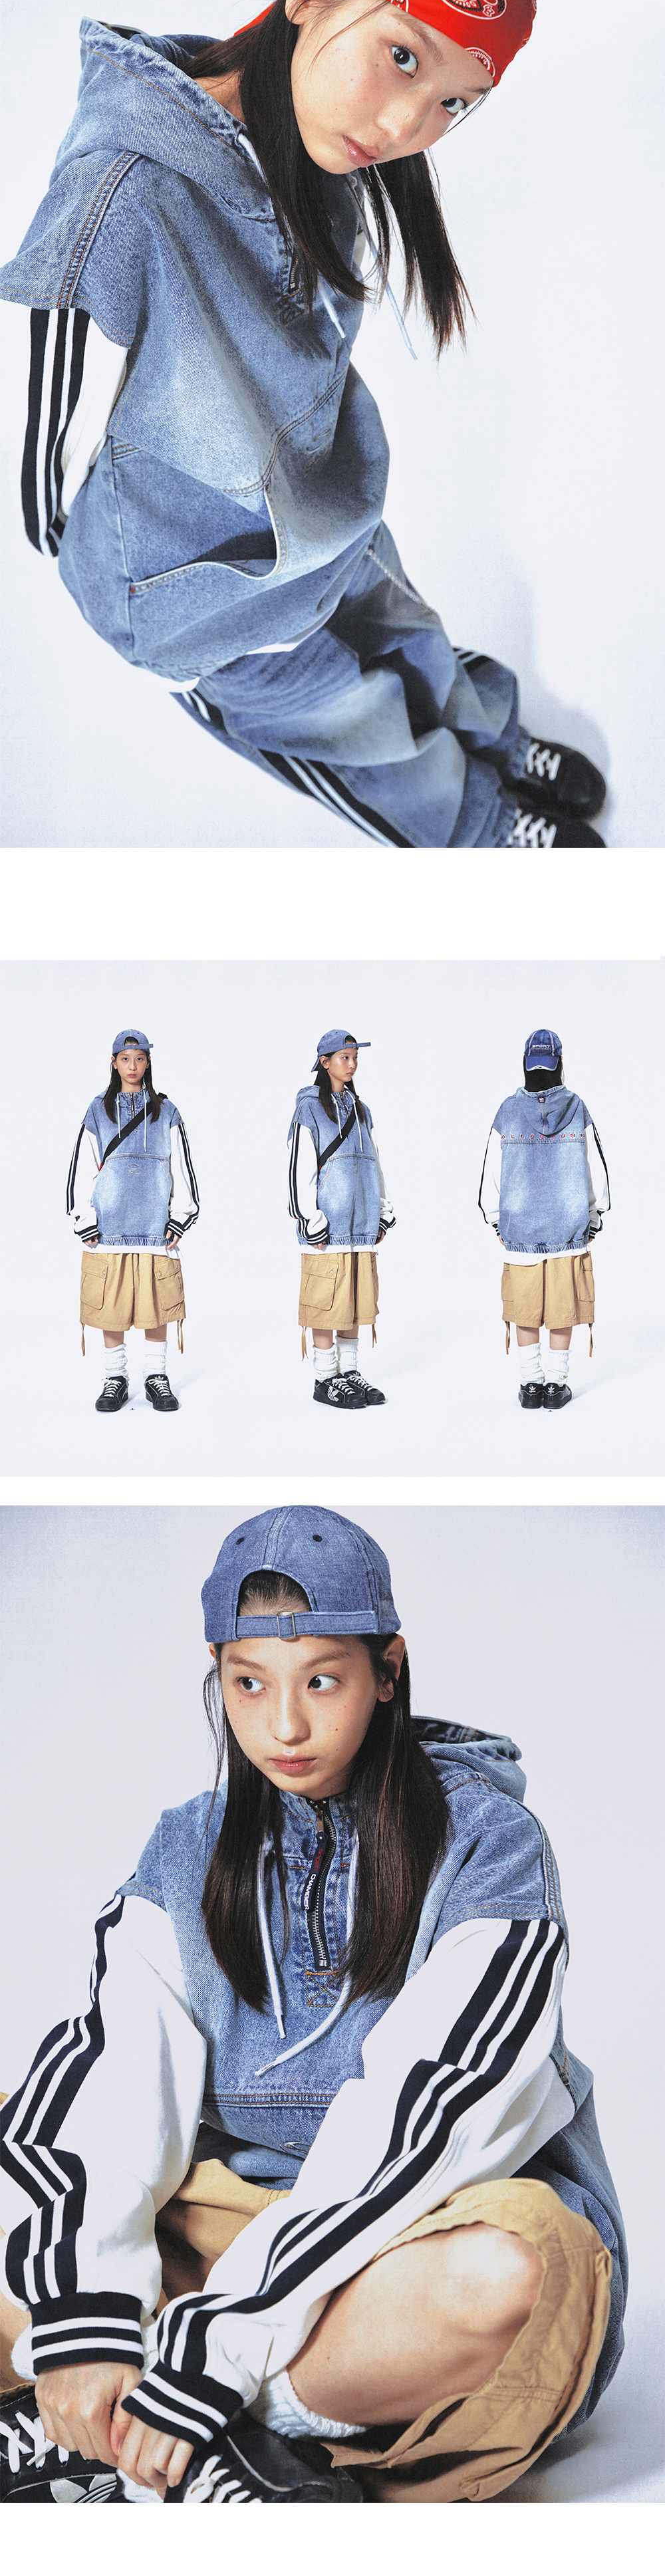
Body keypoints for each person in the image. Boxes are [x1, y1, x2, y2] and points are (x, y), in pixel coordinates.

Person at [0, 1505, 626, 2506]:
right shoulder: (184, 1847)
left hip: (412, 2236)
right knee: (56, 2218)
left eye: (322, 1681)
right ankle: (192, 2437)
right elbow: (110, 2084)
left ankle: (157, 2424)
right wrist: (85, 2320)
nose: (284, 1726)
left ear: (389, 1670)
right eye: (248, 1684)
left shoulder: (489, 1845)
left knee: (502, 2277)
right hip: (219, 2232)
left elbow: (430, 2117)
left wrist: (220, 2344)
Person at [0, 0, 606, 850]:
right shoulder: (123, 195)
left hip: (329, 512)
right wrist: (170, 596)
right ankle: (477, 823)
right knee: (351, 734)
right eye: (403, 57)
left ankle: (489, 734)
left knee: (409, 633)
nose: (410, 126)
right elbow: (45, 477)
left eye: (455, 102)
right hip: (220, 606)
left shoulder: (314, 145)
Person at [67, 1026, 200, 1416]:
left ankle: (156, 1375)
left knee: (156, 1303)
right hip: (109, 1227)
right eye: (125, 1059)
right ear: (114, 1063)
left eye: (140, 1059)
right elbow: (82, 1165)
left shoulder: (166, 1111)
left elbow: (181, 1165)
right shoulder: (98, 1110)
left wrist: (180, 1216)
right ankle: (116, 1377)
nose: (133, 1066)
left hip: (155, 1226)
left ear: (148, 1062)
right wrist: (84, 1218)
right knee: (111, 1303)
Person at [479, 1025, 610, 1410]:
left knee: (525, 1306)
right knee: (562, 1307)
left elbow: (490, 1172)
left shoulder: (507, 1110)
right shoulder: (577, 1107)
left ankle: (529, 1385)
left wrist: (497, 1219)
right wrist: (593, 1216)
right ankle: (556, 1386)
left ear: (526, 1063)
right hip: (568, 1227)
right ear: (560, 1062)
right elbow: (595, 1170)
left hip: (520, 1229)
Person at [288, 1026, 394, 1408]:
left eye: (355, 1058)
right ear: (325, 1062)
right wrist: (311, 1219)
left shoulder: (362, 1110)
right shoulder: (309, 1108)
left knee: (354, 1302)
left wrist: (382, 1211)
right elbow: (300, 1168)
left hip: (361, 1225)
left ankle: (349, 1372)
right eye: (344, 1058)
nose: (351, 1065)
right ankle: (325, 1378)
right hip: (328, 1226)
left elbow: (374, 1162)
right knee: (326, 1302)